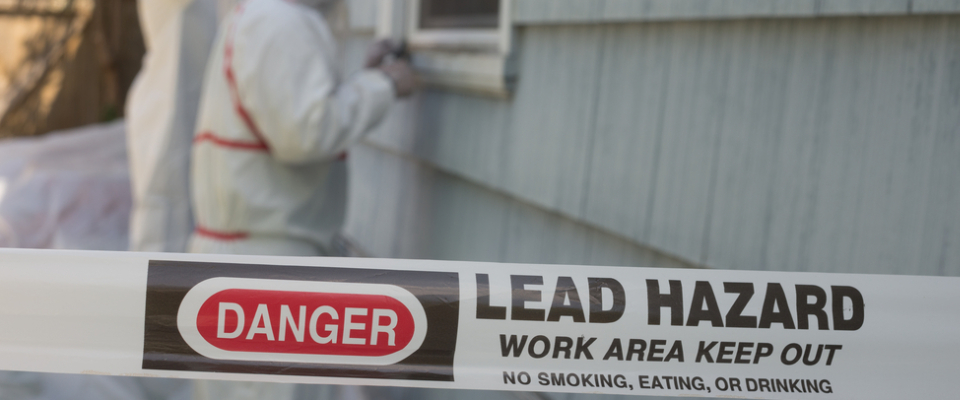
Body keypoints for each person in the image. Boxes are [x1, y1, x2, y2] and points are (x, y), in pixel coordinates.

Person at [188, 0, 415, 257]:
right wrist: (384, 84)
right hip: (266, 258)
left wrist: (365, 79)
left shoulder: (263, 16)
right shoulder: (281, 23)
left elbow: (292, 114)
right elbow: (305, 133)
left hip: (251, 250)